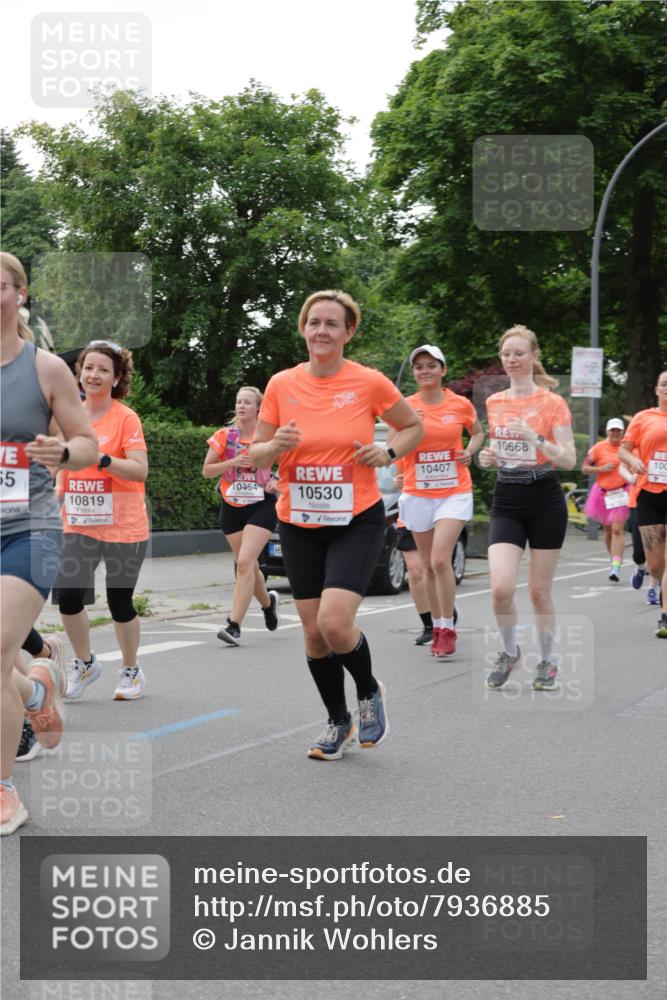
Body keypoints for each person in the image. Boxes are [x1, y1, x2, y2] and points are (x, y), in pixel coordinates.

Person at [249, 290, 423, 760]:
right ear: (303, 329)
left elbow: (412, 427)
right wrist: (275, 444)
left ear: (348, 332)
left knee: (333, 622)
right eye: (314, 322)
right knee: (312, 633)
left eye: (332, 323)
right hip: (299, 520)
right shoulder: (282, 384)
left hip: (355, 520)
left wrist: (388, 452)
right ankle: (337, 720)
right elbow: (257, 452)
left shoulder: (368, 382)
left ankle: (368, 691)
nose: (321, 330)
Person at [1, 251, 97, 834]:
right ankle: (35, 692)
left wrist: (61, 451)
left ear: (20, 293)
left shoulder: (45, 369)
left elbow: (86, 443)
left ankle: (5, 788)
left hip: (29, 529)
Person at [479, 324, 576, 690]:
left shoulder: (553, 403)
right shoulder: (495, 401)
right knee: (501, 588)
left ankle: (548, 661)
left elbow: (568, 459)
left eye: (519, 353)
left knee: (538, 591)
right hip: (507, 497)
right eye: (506, 354)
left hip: (545, 499)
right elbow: (500, 451)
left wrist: (534, 438)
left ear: (534, 356)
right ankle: (509, 651)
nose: (512, 360)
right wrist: (489, 457)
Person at [55, 340, 150, 700]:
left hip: (123, 525)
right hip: (78, 522)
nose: (93, 375)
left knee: (119, 601)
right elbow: (64, 469)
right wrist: (54, 500)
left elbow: (140, 470)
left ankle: (131, 670)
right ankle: (85, 662)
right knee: (68, 596)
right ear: (79, 373)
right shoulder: (70, 416)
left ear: (116, 378)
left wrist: (105, 459)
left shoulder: (126, 418)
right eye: (88, 368)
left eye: (103, 370)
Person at [393, 345, 483, 657]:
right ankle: (435, 623)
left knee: (440, 560)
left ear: (443, 370)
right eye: (419, 367)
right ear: (414, 374)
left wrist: (470, 450)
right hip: (418, 493)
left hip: (454, 491)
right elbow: (394, 446)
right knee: (428, 568)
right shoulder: (406, 406)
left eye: (431, 365)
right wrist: (401, 458)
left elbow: (478, 432)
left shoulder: (459, 404)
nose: (425, 371)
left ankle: (447, 628)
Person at [203, 386, 280, 645]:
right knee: (249, 565)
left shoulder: (269, 438)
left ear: (259, 408)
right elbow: (208, 471)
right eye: (238, 402)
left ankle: (234, 625)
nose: (242, 406)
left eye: (247, 402)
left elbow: (290, 465)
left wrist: (277, 481)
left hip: (262, 505)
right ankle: (268, 604)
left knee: (245, 563)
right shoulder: (225, 436)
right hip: (232, 506)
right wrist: (232, 463)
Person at [619, 370, 667, 638]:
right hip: (648, 494)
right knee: (656, 564)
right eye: (664, 384)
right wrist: (633, 461)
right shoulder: (643, 417)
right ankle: (656, 581)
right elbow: (623, 449)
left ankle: (665, 618)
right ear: (657, 389)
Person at [582, 418, 630, 581]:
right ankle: (614, 559)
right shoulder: (598, 448)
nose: (615, 433)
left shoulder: (627, 447)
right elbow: (584, 468)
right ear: (607, 432)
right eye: (613, 430)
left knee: (617, 529)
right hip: (603, 494)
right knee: (608, 530)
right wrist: (600, 468)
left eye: (618, 430)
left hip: (622, 492)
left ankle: (616, 567)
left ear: (623, 432)